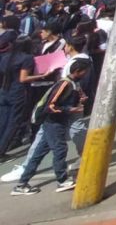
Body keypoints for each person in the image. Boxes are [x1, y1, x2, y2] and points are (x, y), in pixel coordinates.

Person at [10, 58, 91, 195]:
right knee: (60, 149)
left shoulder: (72, 84)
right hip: (53, 122)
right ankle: (62, 180)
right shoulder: (65, 84)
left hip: (54, 122)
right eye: (85, 71)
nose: (86, 74)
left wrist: (78, 100)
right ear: (77, 71)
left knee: (38, 154)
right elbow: (50, 106)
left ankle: (22, 184)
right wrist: (70, 109)